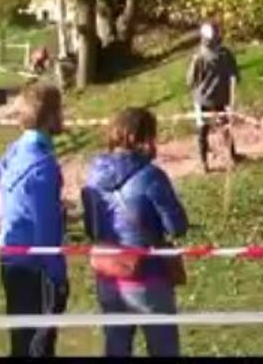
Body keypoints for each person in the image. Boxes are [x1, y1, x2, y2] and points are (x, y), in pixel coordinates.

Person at [82, 107, 189, 357]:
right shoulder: (152, 176)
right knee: (164, 348)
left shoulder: (93, 175)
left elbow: (91, 227)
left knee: (116, 347)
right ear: (144, 137)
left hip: (108, 274)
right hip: (148, 274)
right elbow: (177, 226)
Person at [0, 82, 67, 357]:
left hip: (11, 261)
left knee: (22, 344)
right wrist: (57, 279)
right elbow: (45, 232)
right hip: (37, 270)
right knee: (38, 348)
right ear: (49, 117)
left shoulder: (10, 154)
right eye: (60, 110)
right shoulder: (42, 165)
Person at [186, 22, 243, 173]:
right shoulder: (204, 57)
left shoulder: (219, 55)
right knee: (207, 129)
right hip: (206, 99)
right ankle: (206, 162)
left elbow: (191, 81)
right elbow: (235, 75)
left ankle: (227, 156)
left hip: (212, 98)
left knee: (215, 128)